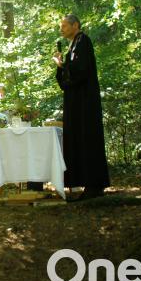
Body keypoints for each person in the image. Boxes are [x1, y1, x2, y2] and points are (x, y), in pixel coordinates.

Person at [53, 14, 110, 200]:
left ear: (75, 25)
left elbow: (81, 70)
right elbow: (67, 79)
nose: (61, 29)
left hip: (85, 101)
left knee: (88, 136)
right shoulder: (73, 44)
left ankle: (94, 185)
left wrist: (64, 65)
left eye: (64, 26)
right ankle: (86, 183)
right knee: (78, 137)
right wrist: (61, 66)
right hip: (76, 101)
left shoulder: (83, 41)